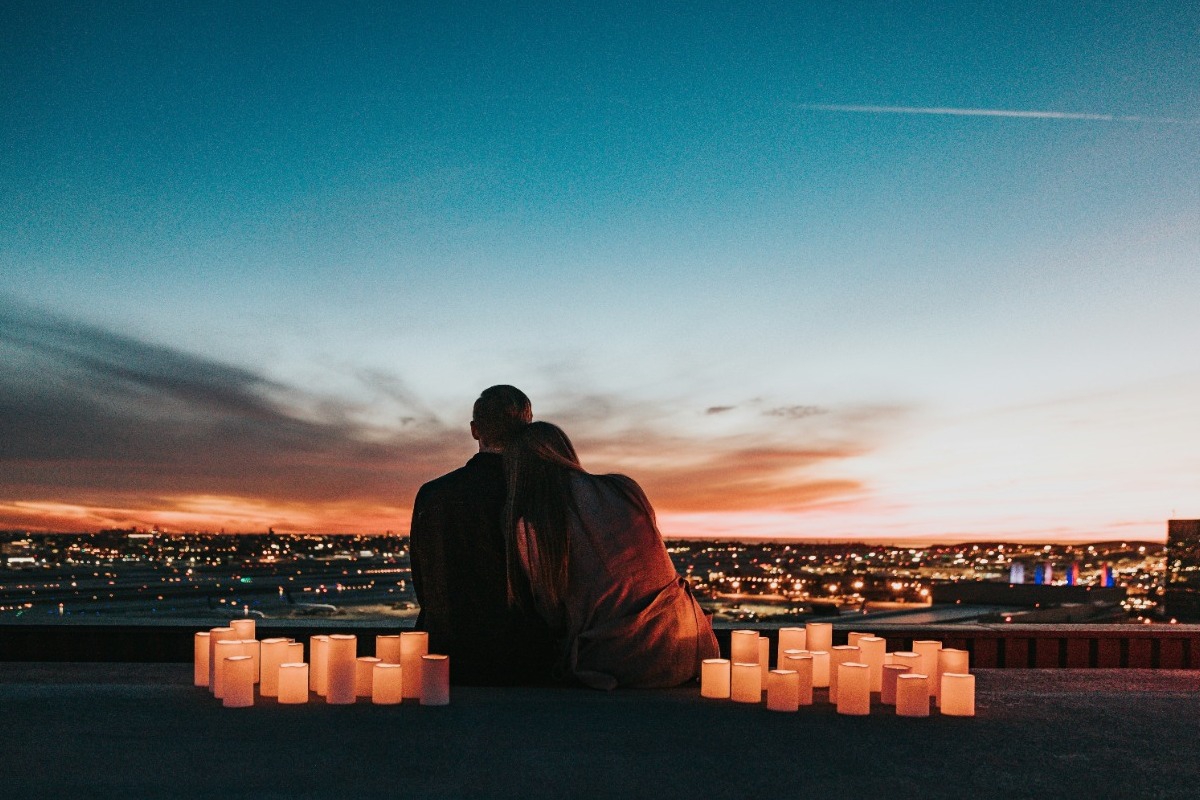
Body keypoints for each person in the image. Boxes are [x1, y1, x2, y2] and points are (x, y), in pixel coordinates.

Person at [503, 421, 719, 689]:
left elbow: (551, 613)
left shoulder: (534, 525)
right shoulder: (624, 488)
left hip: (622, 662)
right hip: (691, 646)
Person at [409, 385, 554, 684]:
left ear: (475, 430)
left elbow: (425, 585)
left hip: (446, 658)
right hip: (524, 661)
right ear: (527, 429)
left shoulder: (432, 495)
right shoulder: (542, 494)